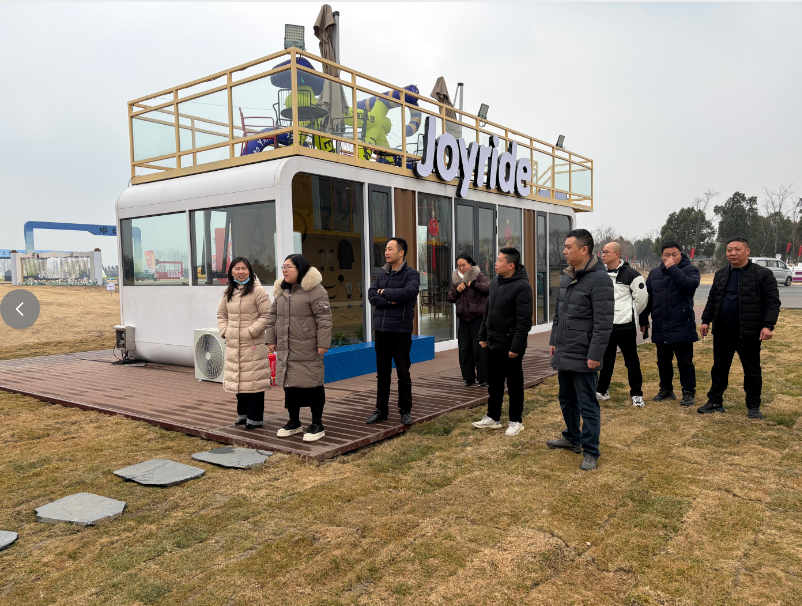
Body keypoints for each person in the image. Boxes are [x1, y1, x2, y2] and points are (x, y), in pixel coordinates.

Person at [546, 230, 614, 471]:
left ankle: (591, 451)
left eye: (568, 247)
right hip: (565, 349)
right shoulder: (568, 276)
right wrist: (554, 340)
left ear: (584, 250)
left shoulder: (600, 279)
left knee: (587, 404)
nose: (564, 251)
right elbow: (559, 313)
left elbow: (603, 322)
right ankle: (572, 437)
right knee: (566, 399)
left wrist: (595, 354)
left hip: (584, 354)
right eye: (564, 247)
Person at [698, 237, 780, 418]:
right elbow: (712, 299)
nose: (733, 253)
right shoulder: (721, 274)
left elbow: (772, 302)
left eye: (737, 249)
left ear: (747, 251)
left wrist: (768, 326)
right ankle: (715, 401)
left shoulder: (763, 274)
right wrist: (705, 320)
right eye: (729, 250)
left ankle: (753, 406)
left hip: (749, 331)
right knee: (719, 368)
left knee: (752, 370)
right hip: (723, 330)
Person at [266, 254, 332, 442]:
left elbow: (324, 319)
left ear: (300, 268)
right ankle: (294, 421)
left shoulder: (316, 290)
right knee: (290, 386)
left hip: (308, 347)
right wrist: (270, 340)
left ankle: (317, 424)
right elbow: (272, 318)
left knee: (313, 384)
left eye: (289, 267)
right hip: (286, 347)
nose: (285, 270)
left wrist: (323, 343)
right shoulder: (281, 290)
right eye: (283, 267)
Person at [472, 247, 533, 437]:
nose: (495, 263)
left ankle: (516, 421)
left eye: (499, 260)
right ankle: (493, 417)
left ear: (511, 265)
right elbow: (488, 311)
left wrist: (516, 346)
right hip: (493, 342)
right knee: (495, 382)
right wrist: (483, 335)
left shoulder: (522, 287)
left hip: (511, 345)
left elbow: (524, 321)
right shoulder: (496, 282)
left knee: (514, 384)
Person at [638, 241, 701, 406]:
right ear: (661, 256)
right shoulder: (655, 273)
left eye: (674, 254)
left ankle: (688, 392)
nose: (670, 257)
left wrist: (673, 268)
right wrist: (643, 319)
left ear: (681, 254)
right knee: (663, 361)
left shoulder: (690, 270)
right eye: (667, 255)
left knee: (685, 362)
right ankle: (666, 389)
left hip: (682, 323)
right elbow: (647, 298)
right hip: (661, 324)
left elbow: (690, 286)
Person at [366, 237, 420, 426]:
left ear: (401, 252)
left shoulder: (412, 274)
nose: (386, 252)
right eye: (386, 249)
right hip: (381, 331)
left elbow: (407, 294)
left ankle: (405, 410)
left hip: (400, 331)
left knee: (403, 373)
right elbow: (371, 296)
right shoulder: (382, 274)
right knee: (382, 374)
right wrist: (390, 299)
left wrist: (384, 292)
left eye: (390, 249)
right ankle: (381, 410)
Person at [216, 257, 272, 430]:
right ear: (231, 272)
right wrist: (224, 331)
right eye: (237, 268)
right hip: (234, 344)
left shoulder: (258, 291)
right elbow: (221, 314)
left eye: (244, 268)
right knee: (239, 381)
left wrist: (251, 331)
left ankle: (255, 419)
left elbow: (268, 315)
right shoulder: (229, 292)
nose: (240, 272)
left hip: (252, 344)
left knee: (254, 382)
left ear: (249, 271)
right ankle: (243, 416)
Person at [597, 241, 648, 406]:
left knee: (631, 361)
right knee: (606, 360)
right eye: (602, 251)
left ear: (617, 254)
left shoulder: (632, 275)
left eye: (606, 252)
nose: (603, 255)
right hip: (606, 326)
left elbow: (641, 300)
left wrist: (629, 315)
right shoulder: (600, 274)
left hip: (625, 326)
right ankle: (602, 391)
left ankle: (636, 394)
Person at [447, 253, 491, 387]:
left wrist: (474, 284)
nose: (461, 268)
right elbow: (450, 298)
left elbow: (489, 288)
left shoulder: (479, 276)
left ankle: (483, 378)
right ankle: (468, 378)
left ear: (470, 264)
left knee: (479, 349)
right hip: (463, 320)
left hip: (478, 319)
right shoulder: (456, 279)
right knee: (464, 349)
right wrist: (458, 291)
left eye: (464, 265)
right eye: (459, 266)